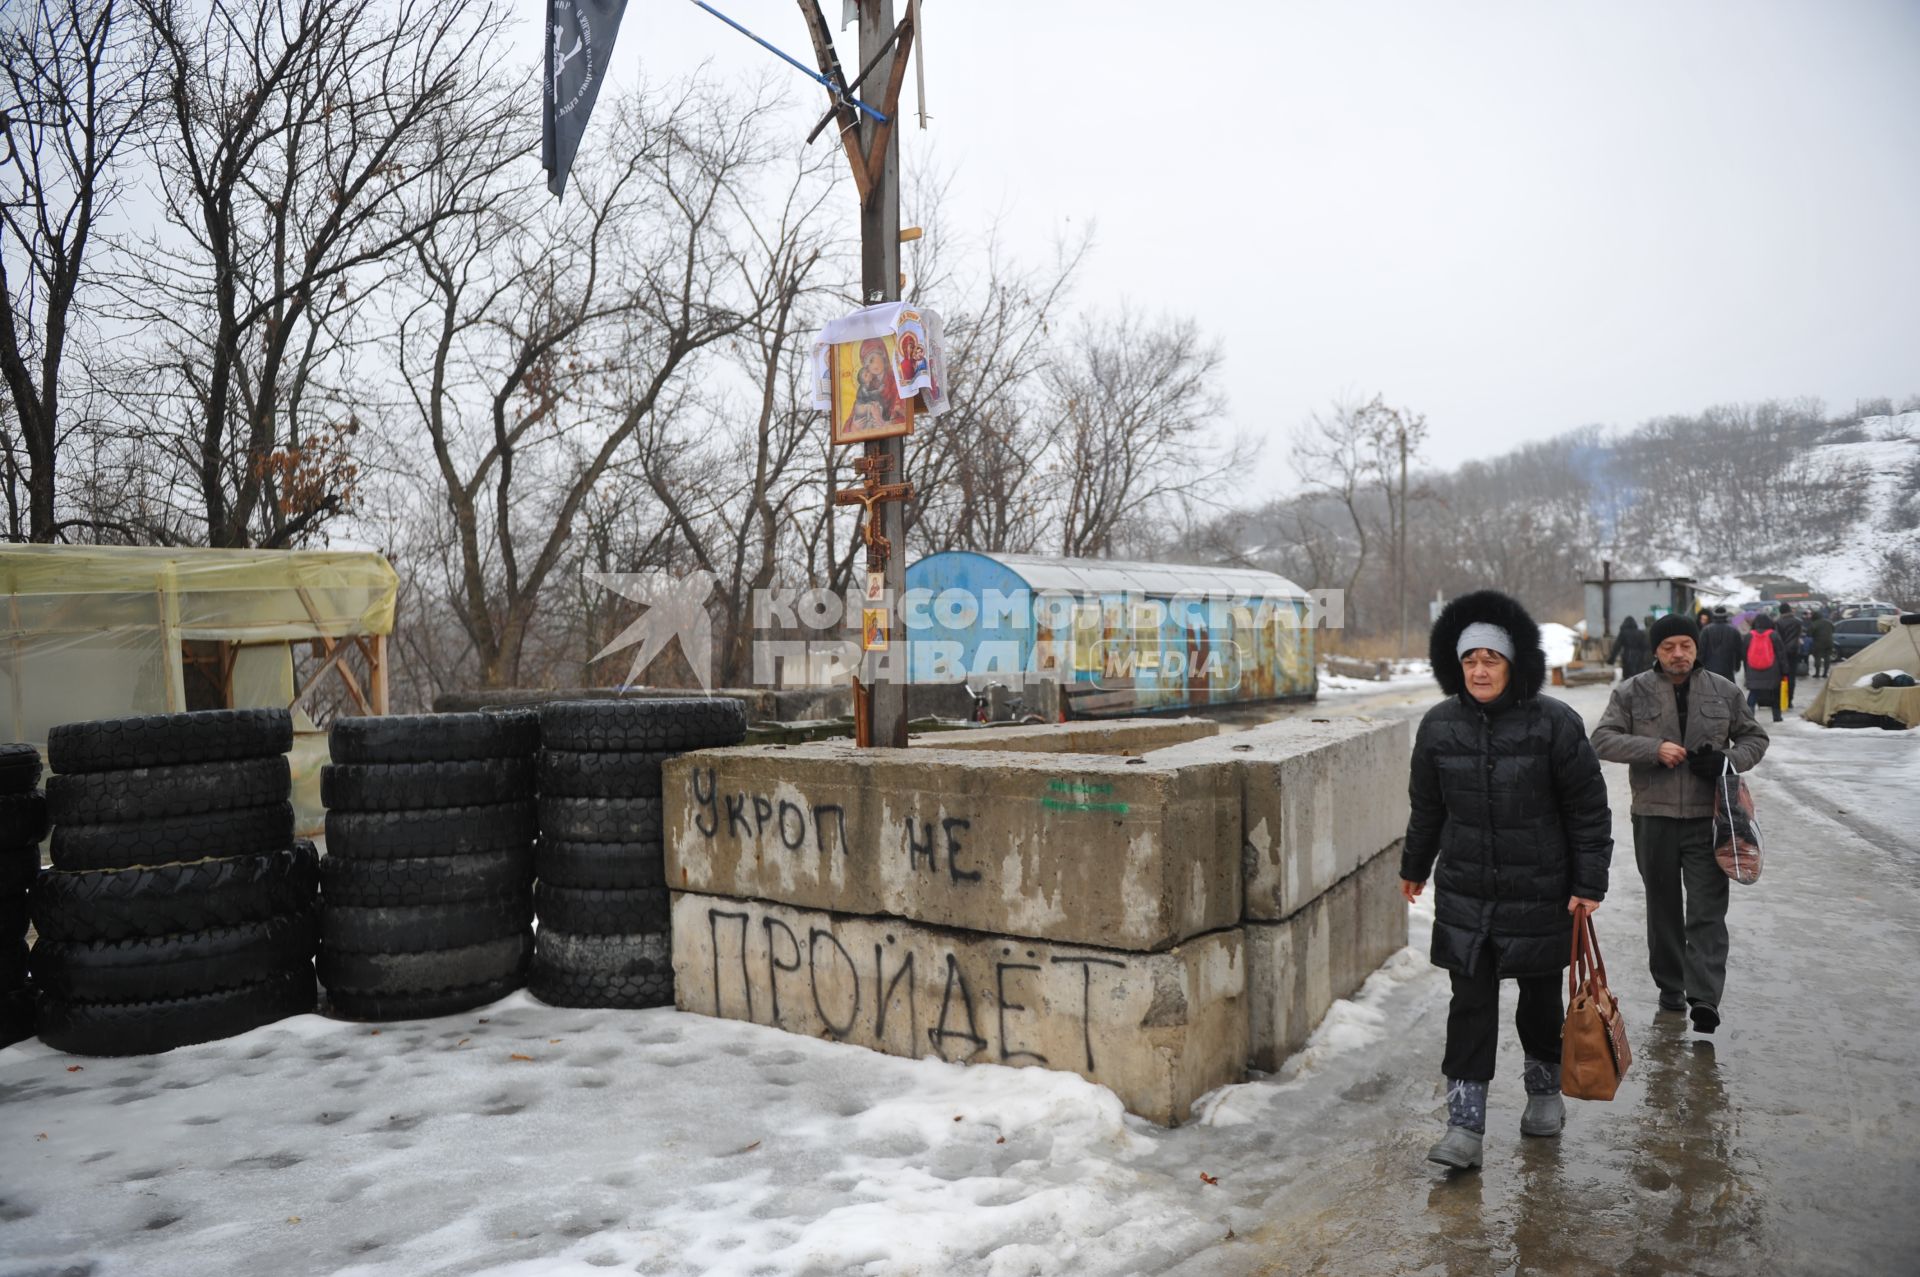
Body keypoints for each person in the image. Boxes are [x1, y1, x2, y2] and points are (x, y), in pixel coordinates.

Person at [1401, 590, 1613, 1171]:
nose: (1479, 670)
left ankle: (1544, 1094)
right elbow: (1427, 808)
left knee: (1539, 1001)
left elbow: (1588, 811)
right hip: (1468, 893)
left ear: (1513, 663)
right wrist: (1414, 867)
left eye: (1490, 659)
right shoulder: (1439, 727)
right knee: (1468, 1005)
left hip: (1542, 890)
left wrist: (1589, 882)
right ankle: (1464, 1127)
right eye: (1470, 661)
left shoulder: (1555, 723)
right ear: (1455, 665)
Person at [1592, 614, 1769, 1036]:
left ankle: (1704, 997)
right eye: (1669, 646)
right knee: (1664, 909)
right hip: (1654, 818)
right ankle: (1671, 987)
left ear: (1697, 648)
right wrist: (1653, 749)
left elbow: (1755, 739)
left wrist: (1727, 759)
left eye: (1685, 646)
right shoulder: (1631, 691)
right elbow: (1602, 739)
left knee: (1708, 909)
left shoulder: (1724, 691)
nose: (1678, 654)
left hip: (1710, 820)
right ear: (1656, 650)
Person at [1742, 613, 1784, 723]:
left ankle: (1749, 717)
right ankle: (1777, 717)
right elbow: (1781, 654)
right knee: (1775, 694)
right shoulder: (1774, 635)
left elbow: (1744, 655)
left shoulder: (1749, 636)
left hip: (1753, 671)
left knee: (1753, 694)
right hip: (1772, 671)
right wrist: (1785, 670)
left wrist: (1746, 672)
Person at [1698, 605, 1743, 681]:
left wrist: (1699, 668)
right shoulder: (1734, 631)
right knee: (1728, 691)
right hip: (1728, 669)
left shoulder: (1706, 630)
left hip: (1709, 669)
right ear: (1726, 616)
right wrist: (1737, 666)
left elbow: (1701, 651)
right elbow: (1739, 651)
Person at [1773, 604, 1805, 708]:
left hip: (1781, 652)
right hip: (1794, 651)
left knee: (1781, 675)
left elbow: (1776, 638)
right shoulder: (1798, 622)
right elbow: (1800, 635)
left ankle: (1781, 699)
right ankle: (1789, 700)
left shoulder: (1777, 622)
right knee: (1791, 676)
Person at [1810, 607, 1836, 678]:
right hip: (1829, 642)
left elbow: (1810, 633)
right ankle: (1825, 673)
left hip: (1818, 643)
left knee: (1817, 657)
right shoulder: (1829, 622)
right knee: (1827, 657)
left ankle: (1817, 673)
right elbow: (1833, 630)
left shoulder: (1814, 623)